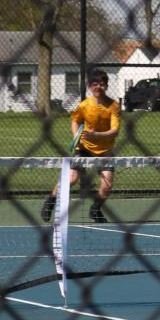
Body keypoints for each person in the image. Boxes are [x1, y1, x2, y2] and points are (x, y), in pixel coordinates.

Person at [40, 69, 120, 224]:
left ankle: (95, 209)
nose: (98, 87)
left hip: (105, 150)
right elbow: (75, 121)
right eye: (95, 84)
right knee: (71, 178)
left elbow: (115, 131)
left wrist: (96, 135)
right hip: (83, 148)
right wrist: (77, 137)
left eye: (102, 84)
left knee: (107, 185)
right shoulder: (84, 105)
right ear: (89, 87)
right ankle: (50, 201)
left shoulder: (114, 106)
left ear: (107, 86)